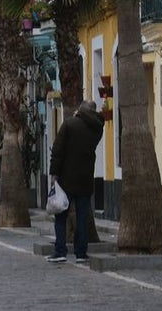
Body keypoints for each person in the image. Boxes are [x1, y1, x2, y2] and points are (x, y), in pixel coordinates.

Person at [48, 100, 105, 264]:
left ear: (80, 110)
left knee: (61, 215)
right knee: (82, 217)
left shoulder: (69, 125)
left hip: (66, 178)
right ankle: (81, 253)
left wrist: (54, 174)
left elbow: (58, 150)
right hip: (86, 179)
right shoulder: (97, 128)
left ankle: (60, 250)